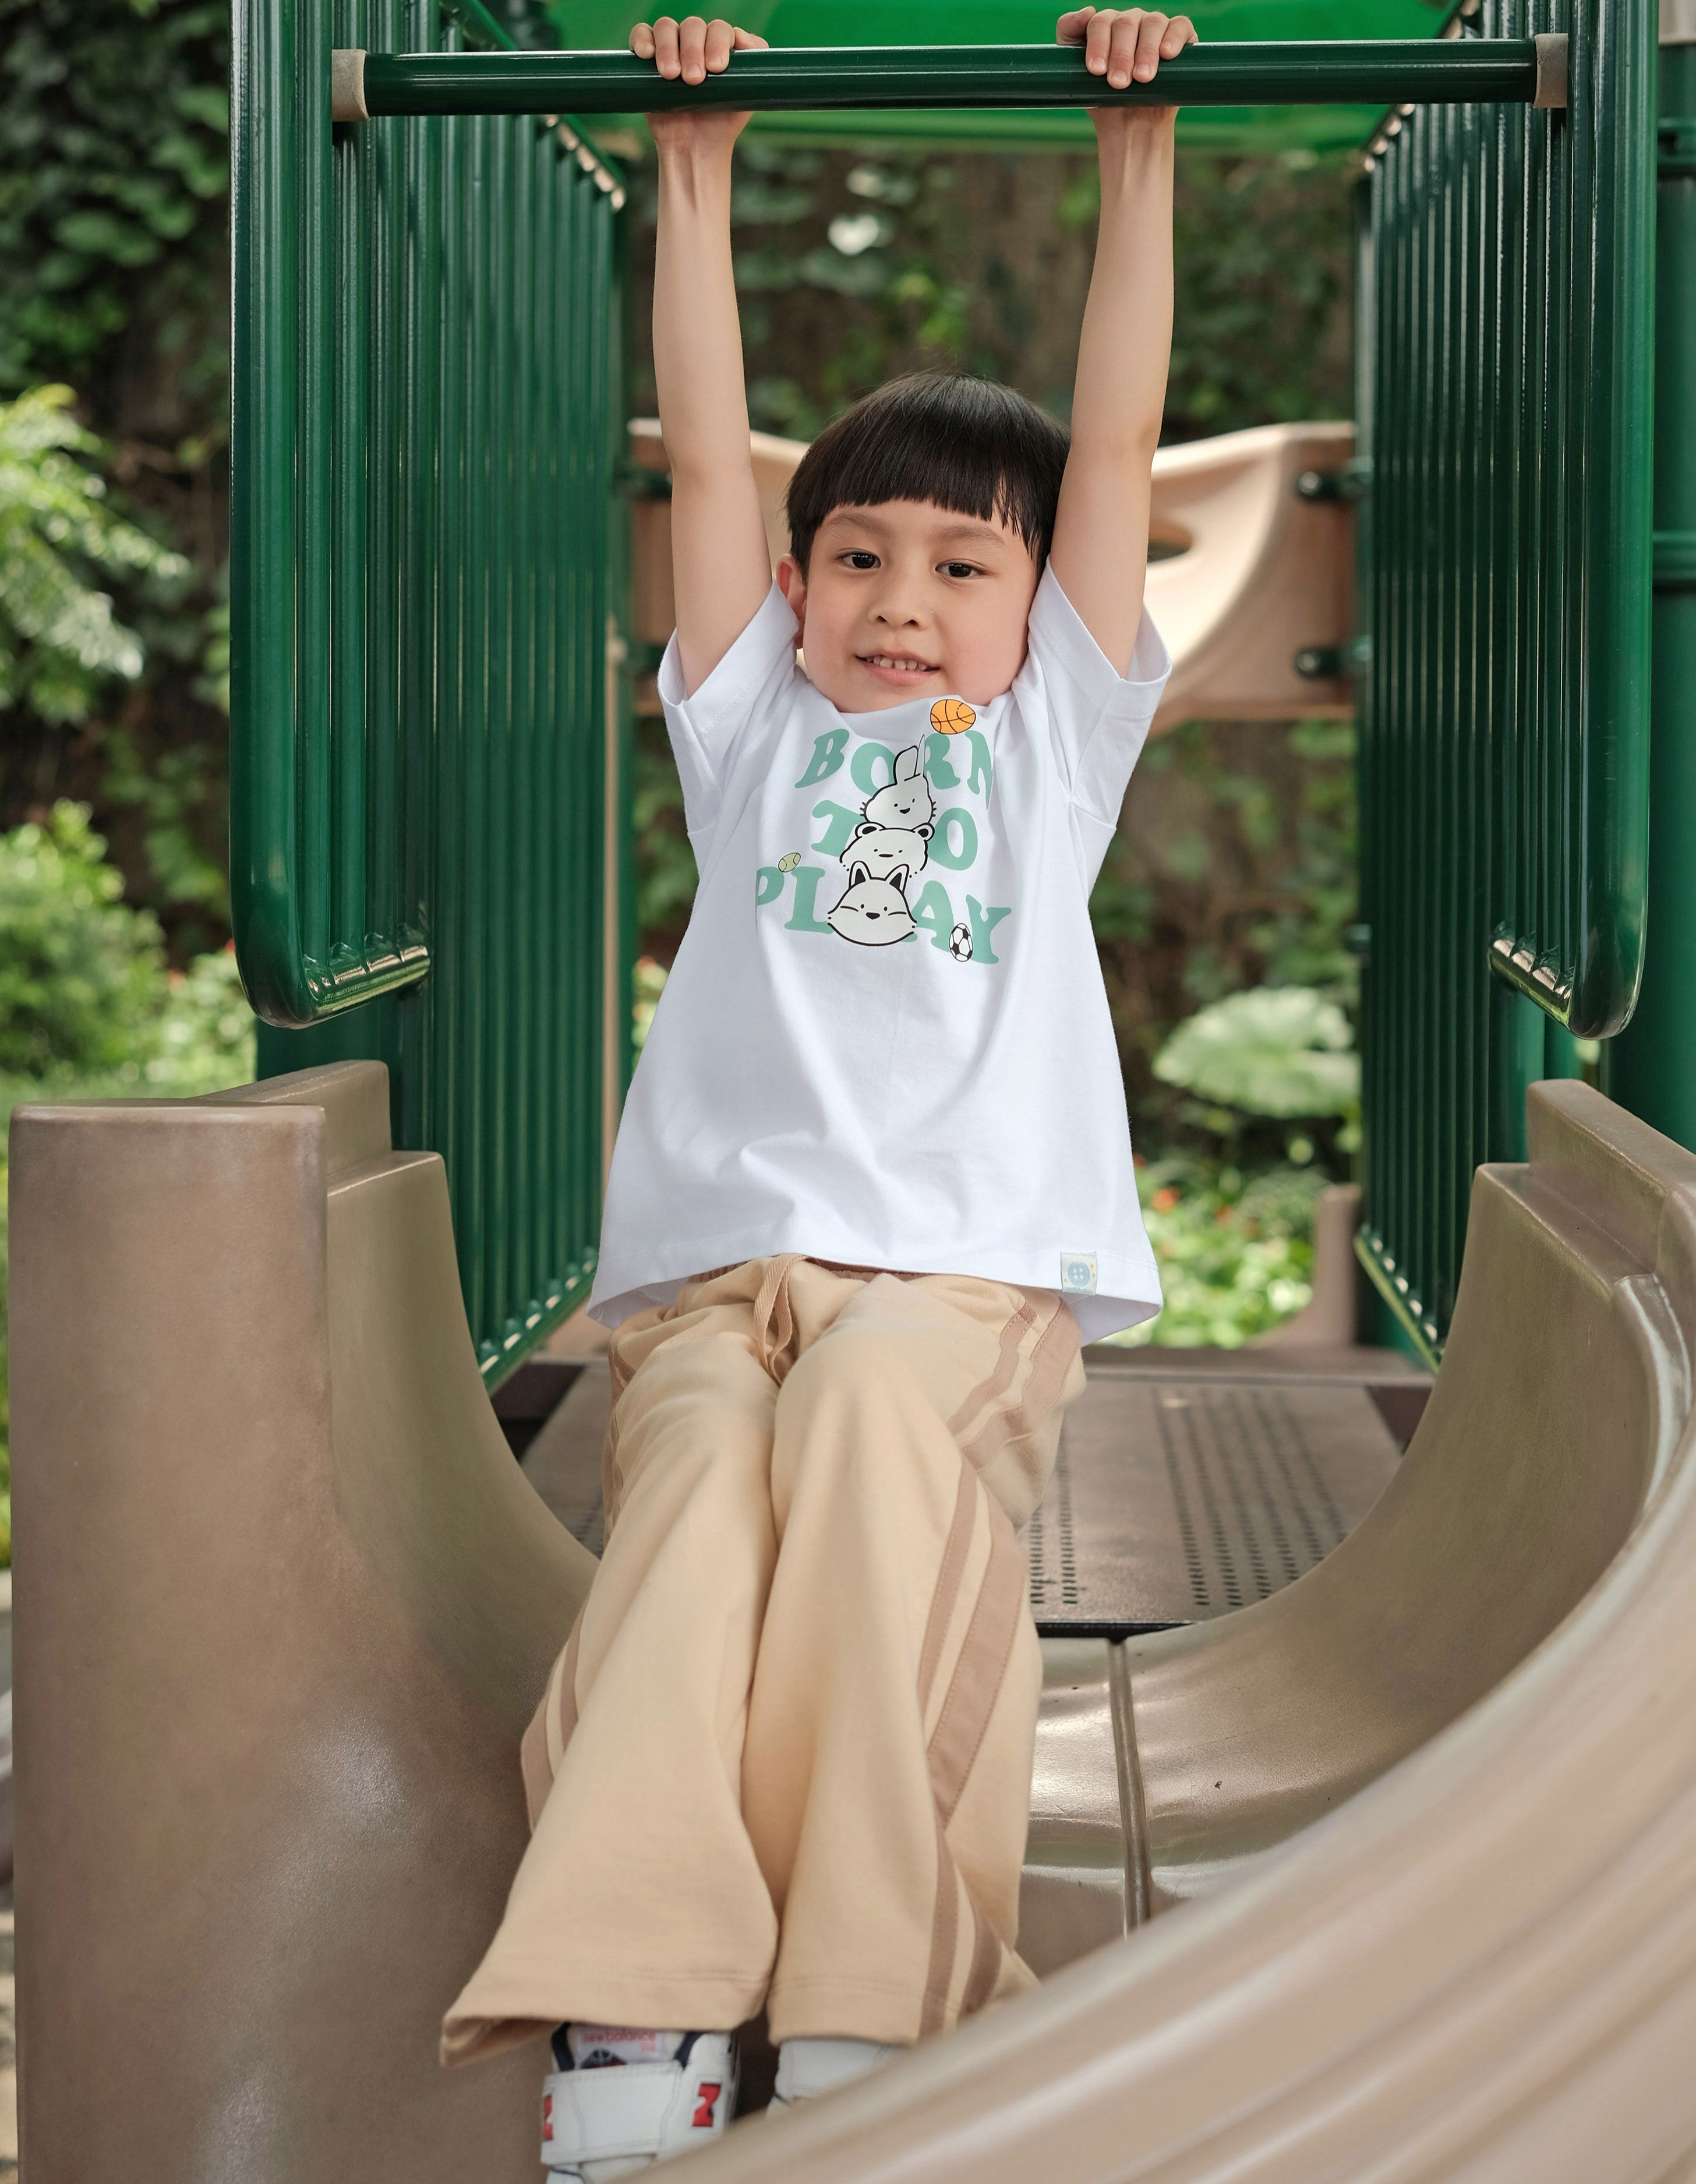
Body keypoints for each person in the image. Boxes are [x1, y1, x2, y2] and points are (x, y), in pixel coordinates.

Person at [443, 7, 1193, 2173]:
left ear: (1035, 611)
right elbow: (707, 446)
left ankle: (870, 2022)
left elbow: (1119, 450)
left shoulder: (1055, 745)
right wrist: (692, 167)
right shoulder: (753, 731)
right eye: (860, 555)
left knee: (873, 1432)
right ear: (793, 589)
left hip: (957, 1287)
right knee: (691, 1496)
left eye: (964, 567)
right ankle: (637, 2022)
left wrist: (1135, 152)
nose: (903, 598)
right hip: (715, 1278)